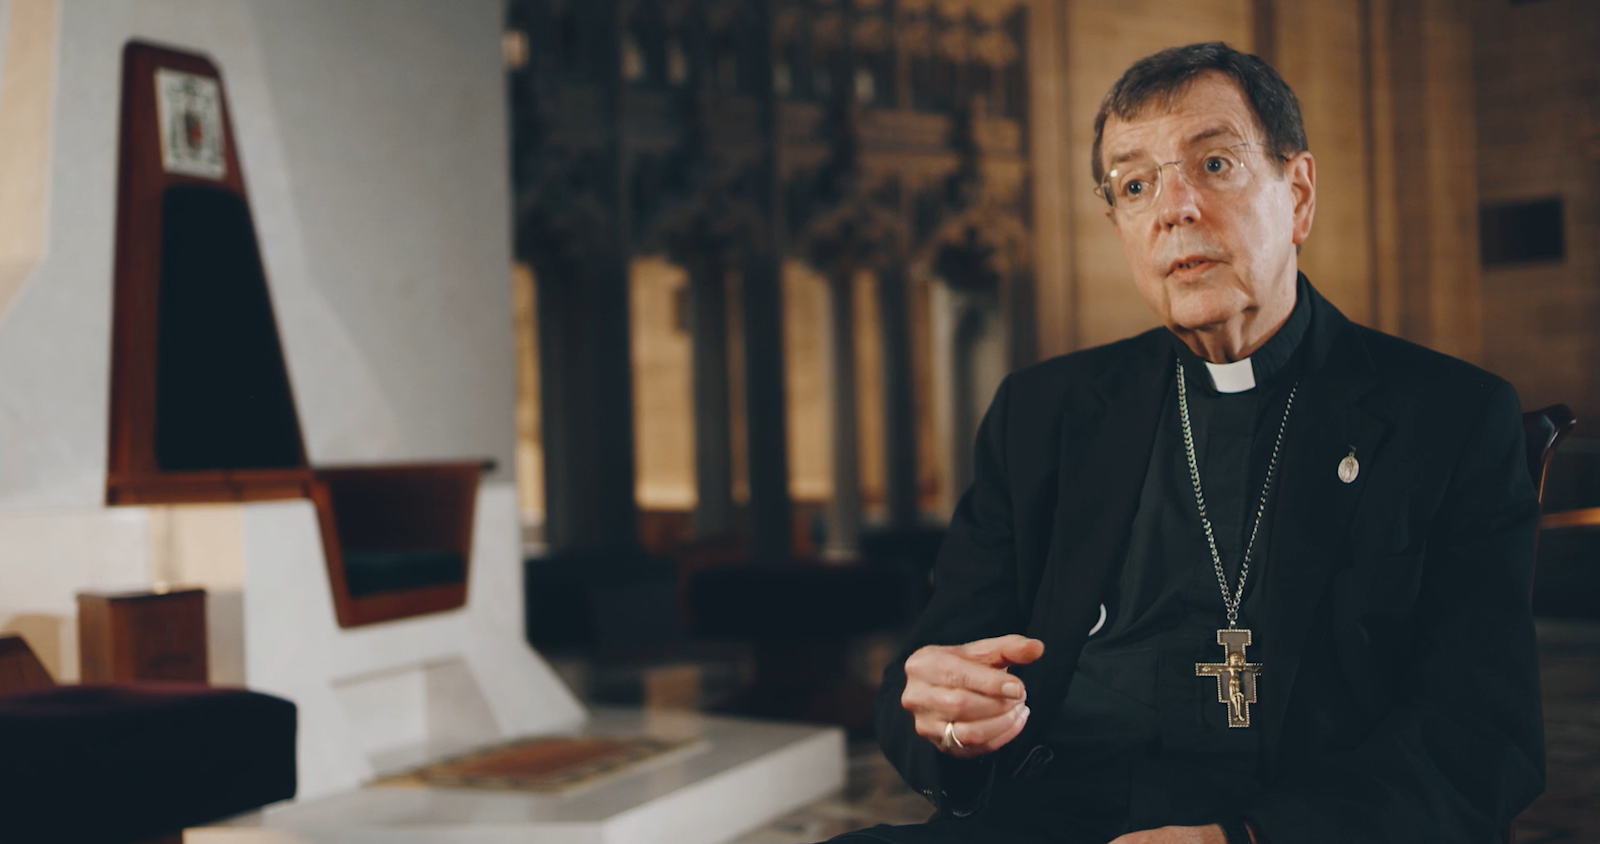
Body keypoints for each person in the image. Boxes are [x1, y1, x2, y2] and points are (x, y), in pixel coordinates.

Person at [827, 42, 1545, 844]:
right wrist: (947, 720)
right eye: (1136, 186)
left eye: (1214, 165)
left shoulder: (1446, 417)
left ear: (1298, 194)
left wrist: (1241, 840)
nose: (1175, 207)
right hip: (1049, 817)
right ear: (1121, 227)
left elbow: (1483, 736)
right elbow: (933, 669)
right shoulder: (1044, 414)